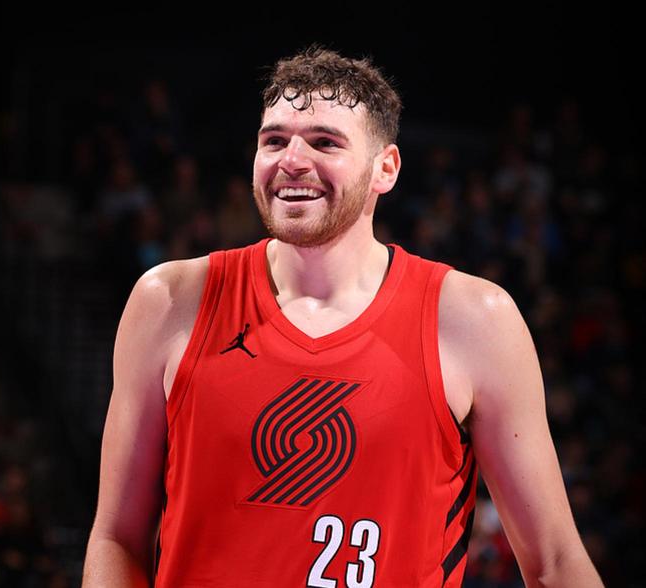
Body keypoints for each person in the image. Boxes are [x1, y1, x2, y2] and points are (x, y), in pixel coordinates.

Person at [82, 46, 603, 587]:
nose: (292, 160)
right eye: (274, 140)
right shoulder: (170, 302)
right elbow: (116, 537)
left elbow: (554, 561)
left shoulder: (474, 320)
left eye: (324, 142)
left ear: (385, 168)